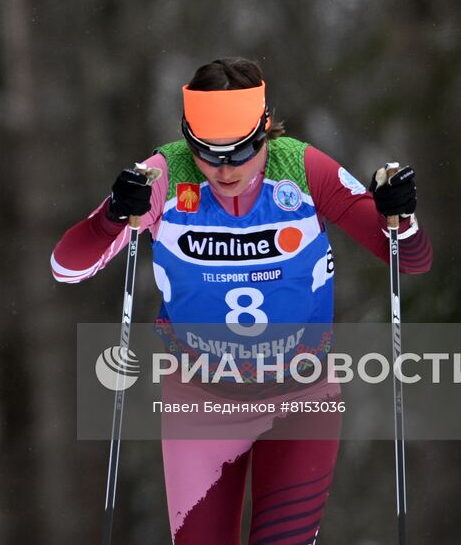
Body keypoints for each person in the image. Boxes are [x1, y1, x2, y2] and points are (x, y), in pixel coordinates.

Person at [51, 57, 432, 545]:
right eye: (207, 154)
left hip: (301, 399)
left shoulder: (302, 168)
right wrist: (111, 216)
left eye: (240, 152)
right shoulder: (163, 177)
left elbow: (409, 259)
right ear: (189, 139)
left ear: (264, 131)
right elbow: (67, 266)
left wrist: (400, 215)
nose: (223, 169)